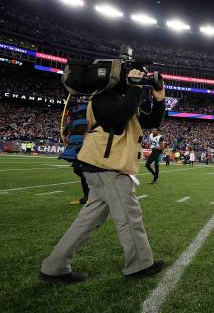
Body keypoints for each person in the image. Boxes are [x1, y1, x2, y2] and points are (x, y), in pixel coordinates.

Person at [40, 69, 166, 284]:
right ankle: (139, 265)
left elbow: (152, 121)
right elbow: (120, 115)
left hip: (102, 164)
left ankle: (54, 267)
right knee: (129, 217)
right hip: (108, 165)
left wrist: (159, 99)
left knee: (87, 220)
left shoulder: (120, 99)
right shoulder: (102, 96)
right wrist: (135, 86)